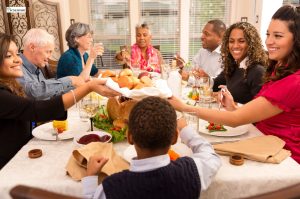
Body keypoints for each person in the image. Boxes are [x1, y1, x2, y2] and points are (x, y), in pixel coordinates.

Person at [168, 5, 300, 163]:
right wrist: (234, 107)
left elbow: (237, 119)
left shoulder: (294, 81)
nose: (269, 41)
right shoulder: (278, 70)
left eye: (278, 36)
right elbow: (260, 115)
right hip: (263, 142)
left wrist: (184, 107)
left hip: (284, 157)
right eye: (268, 34)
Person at [0, 33, 119, 169]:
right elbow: (36, 109)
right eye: (9, 56)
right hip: (8, 166)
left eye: (17, 54)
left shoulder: (12, 82)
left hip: (23, 152)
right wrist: (87, 87)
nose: (19, 60)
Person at [82, 97, 221, 199]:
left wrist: (90, 176)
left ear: (130, 137)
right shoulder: (192, 171)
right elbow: (211, 155)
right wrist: (186, 130)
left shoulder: (110, 188)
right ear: (174, 138)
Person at [17, 28, 86, 100]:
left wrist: (75, 85)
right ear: (32, 47)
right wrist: (71, 80)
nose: (49, 57)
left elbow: (48, 94)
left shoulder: (37, 66)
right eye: (48, 52)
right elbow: (33, 91)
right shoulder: (16, 67)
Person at [213, 22, 268, 104]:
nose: (235, 46)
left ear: (251, 44)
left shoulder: (257, 72)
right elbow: (216, 85)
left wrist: (233, 104)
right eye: (231, 41)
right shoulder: (234, 65)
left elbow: (260, 110)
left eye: (241, 41)